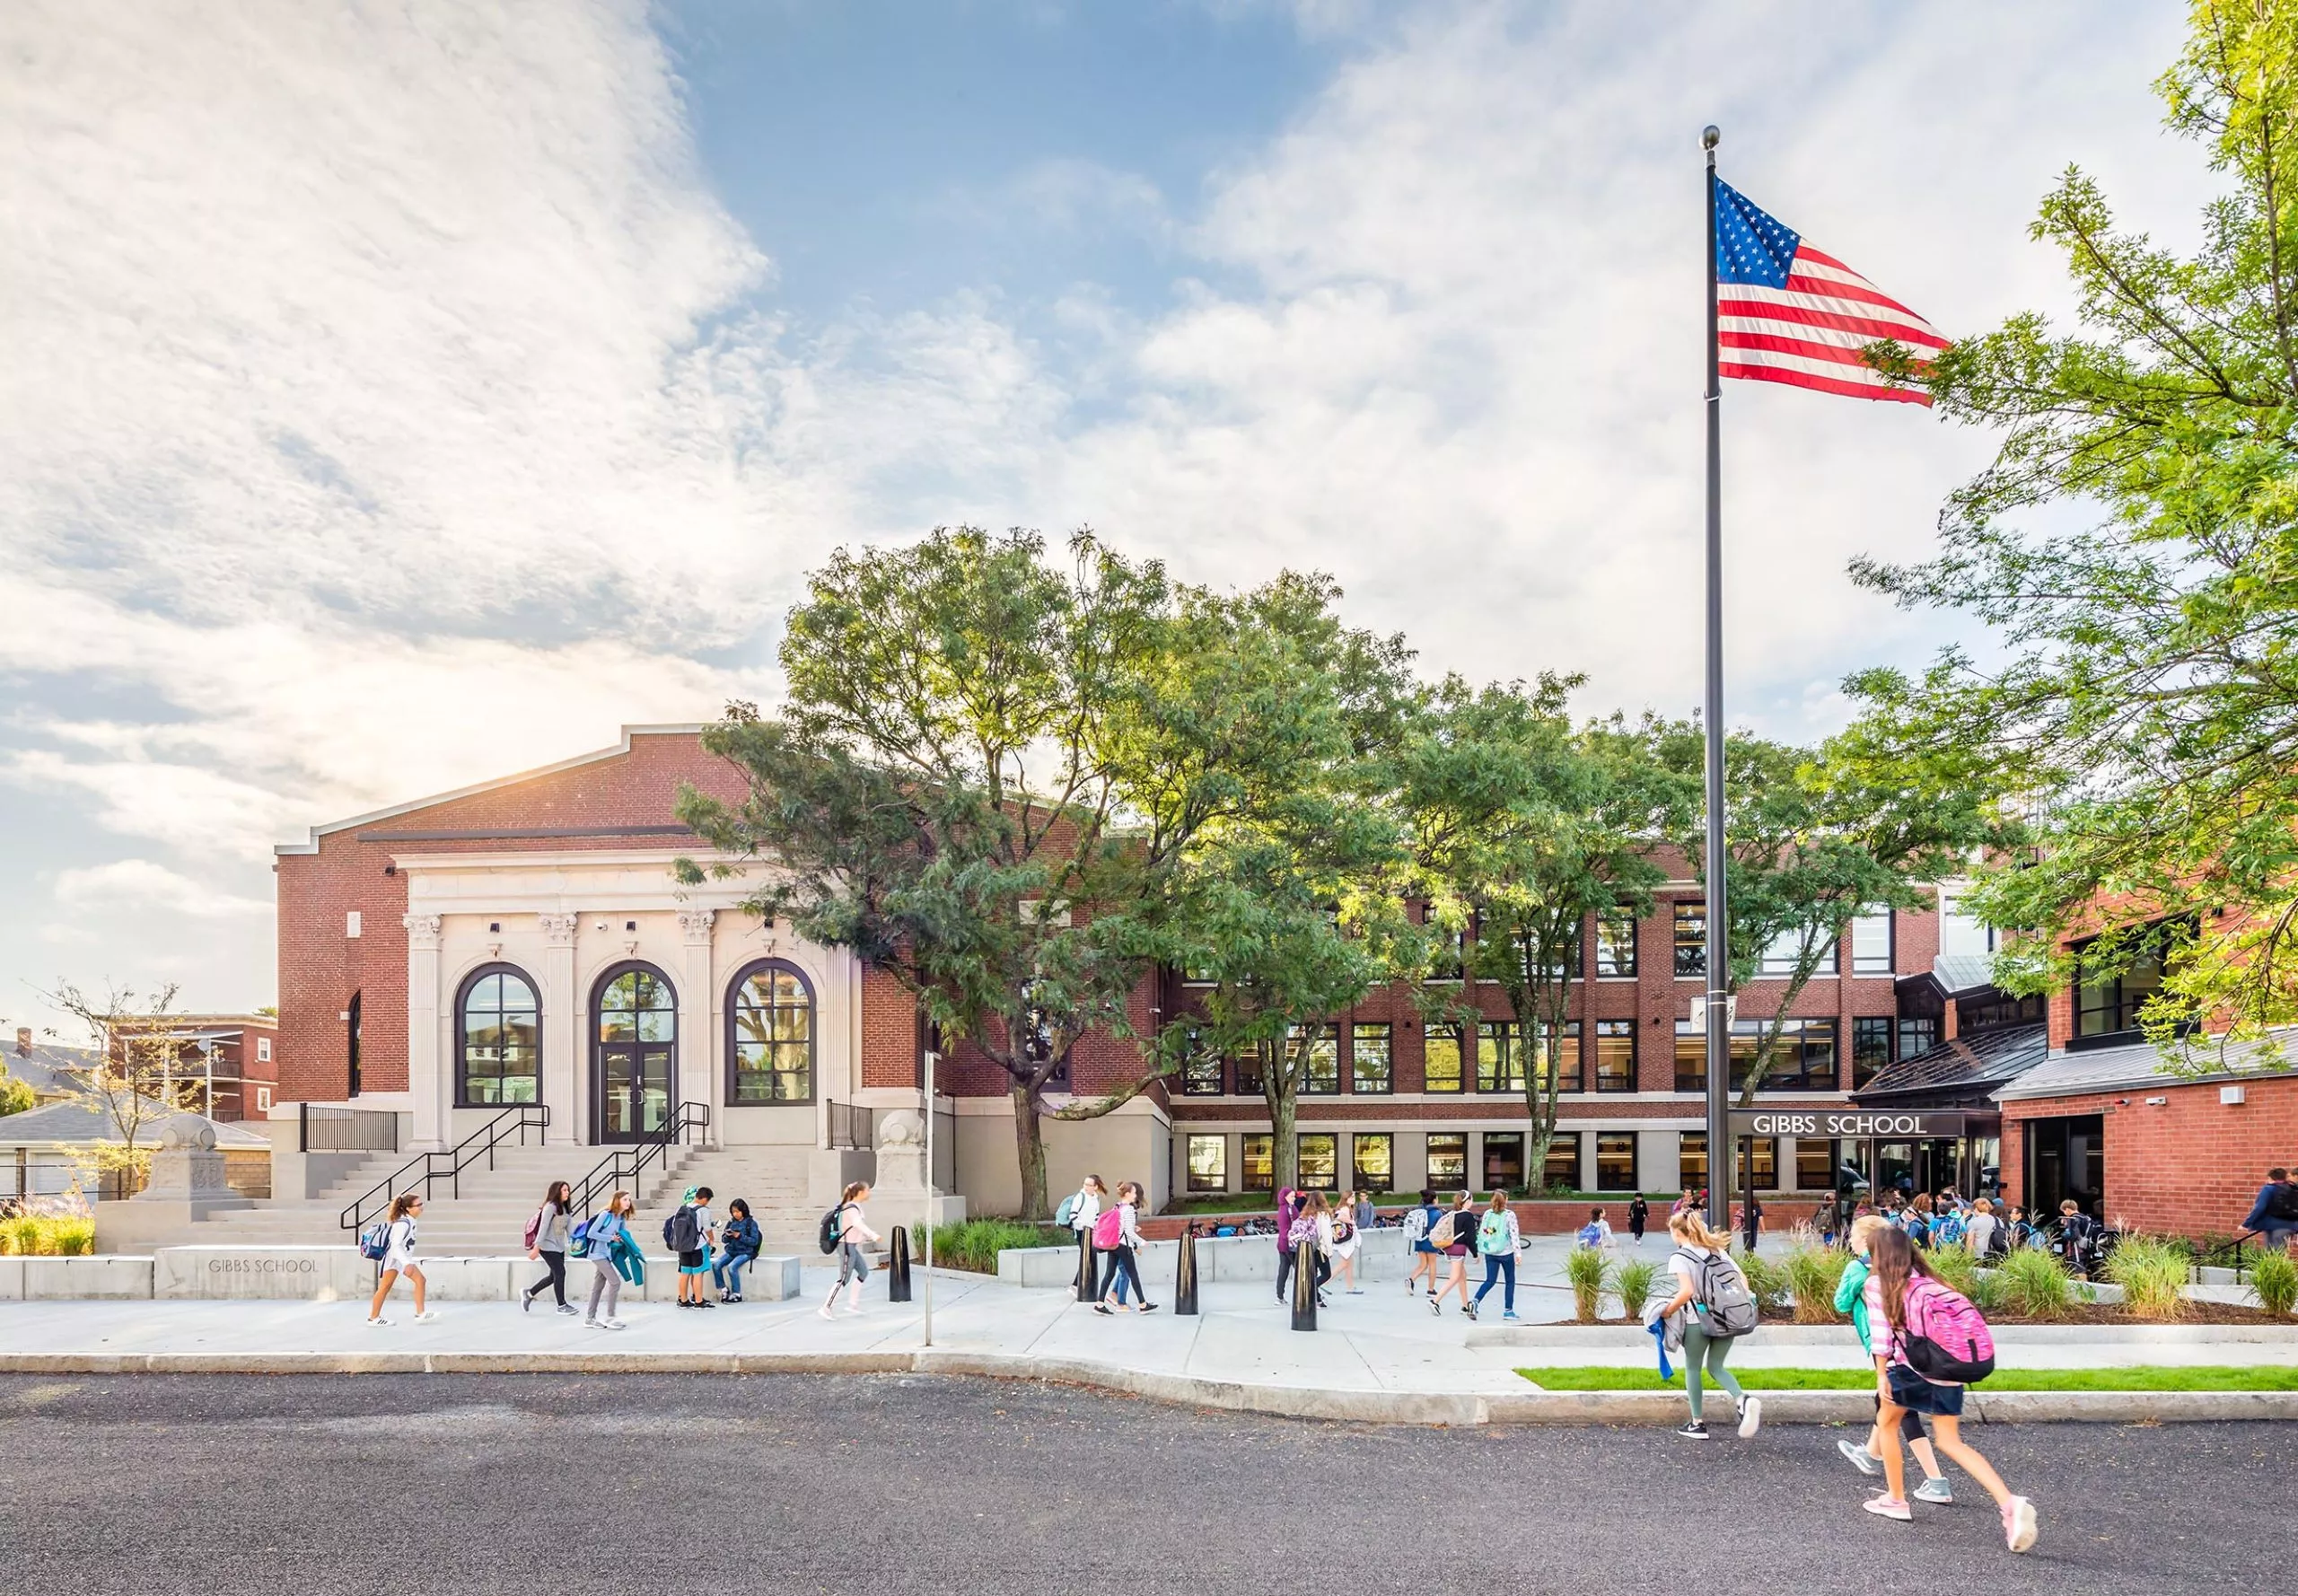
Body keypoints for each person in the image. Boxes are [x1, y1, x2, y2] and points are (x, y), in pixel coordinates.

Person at [1862, 1228, 2038, 1552]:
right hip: (1948, 1370)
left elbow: (1882, 1337)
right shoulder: (1934, 1283)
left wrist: (1881, 1375)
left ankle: (1896, 1499)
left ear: (1879, 1256)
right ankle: (2009, 1503)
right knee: (1950, 1441)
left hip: (1909, 1367)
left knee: (1887, 1425)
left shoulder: (1877, 1285)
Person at [1834, 1215, 1952, 1504]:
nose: (1849, 1241)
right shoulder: (1906, 1265)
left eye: (1853, 1237)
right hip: (1918, 1345)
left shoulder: (1859, 1268)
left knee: (1900, 1408)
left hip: (1889, 1347)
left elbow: (1841, 1303)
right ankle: (1871, 1454)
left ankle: (1933, 1483)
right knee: (1888, 1403)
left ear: (1866, 1240)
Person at [1655, 1208, 1758, 1440]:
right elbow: (1743, 1279)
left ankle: (1697, 1424)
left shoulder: (1680, 1257)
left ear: (1676, 1232)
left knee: (1693, 1367)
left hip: (1697, 1320)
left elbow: (1687, 1291)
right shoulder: (1717, 1250)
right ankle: (1743, 1400)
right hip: (1728, 1316)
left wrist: (1667, 1311)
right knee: (1716, 1367)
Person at [365, 1192, 433, 1326]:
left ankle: (420, 1313)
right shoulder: (403, 1223)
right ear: (408, 1208)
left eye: (421, 1203)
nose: (421, 1207)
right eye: (418, 1205)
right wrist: (407, 1263)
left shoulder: (409, 1220)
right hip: (395, 1259)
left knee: (418, 1281)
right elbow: (396, 1245)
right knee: (385, 1287)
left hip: (400, 1259)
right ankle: (374, 1318)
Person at [1092, 1180, 1158, 1314]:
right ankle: (1143, 1305)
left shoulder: (1117, 1206)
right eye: (1134, 1193)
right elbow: (1128, 1232)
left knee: (1109, 1274)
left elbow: (1120, 1226)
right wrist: (1141, 1242)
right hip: (1124, 1246)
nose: (1135, 1196)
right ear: (1127, 1194)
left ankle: (1099, 1304)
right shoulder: (1129, 1209)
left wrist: (1132, 1228)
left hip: (1114, 1244)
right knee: (1133, 1275)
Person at [820, 1180, 878, 1319]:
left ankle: (853, 1304)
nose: (869, 1193)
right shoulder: (851, 1208)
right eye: (867, 1190)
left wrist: (865, 1237)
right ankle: (826, 1307)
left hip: (852, 1246)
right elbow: (858, 1224)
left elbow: (857, 1228)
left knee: (863, 1272)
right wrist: (873, 1235)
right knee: (843, 1279)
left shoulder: (856, 1207)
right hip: (845, 1247)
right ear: (860, 1193)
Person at [583, 1191, 637, 1330]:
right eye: (625, 1199)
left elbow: (621, 1235)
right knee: (615, 1282)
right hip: (596, 1253)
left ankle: (590, 1318)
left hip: (607, 1254)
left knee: (598, 1286)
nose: (628, 1202)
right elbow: (591, 1233)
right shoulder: (605, 1215)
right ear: (617, 1200)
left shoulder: (621, 1218)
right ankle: (610, 1317)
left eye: (629, 1200)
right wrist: (610, 1238)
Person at [522, 1180, 575, 1315]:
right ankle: (561, 1305)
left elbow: (570, 1231)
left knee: (553, 1276)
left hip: (559, 1247)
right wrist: (536, 1247)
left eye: (568, 1190)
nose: (567, 1193)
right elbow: (543, 1228)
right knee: (560, 1273)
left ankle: (529, 1293)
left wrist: (575, 1244)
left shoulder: (566, 1209)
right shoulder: (550, 1207)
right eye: (564, 1190)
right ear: (556, 1192)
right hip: (546, 1245)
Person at [1472, 1191, 1522, 1322]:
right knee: (1510, 1281)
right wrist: (1518, 1253)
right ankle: (1508, 1310)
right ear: (1506, 1199)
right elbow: (1514, 1235)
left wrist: (1479, 1249)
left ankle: (1475, 1301)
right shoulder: (1510, 1215)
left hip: (1490, 1251)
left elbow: (1483, 1232)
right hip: (1506, 1252)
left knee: (1490, 1280)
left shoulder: (1488, 1213)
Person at [1429, 1191, 1476, 1317]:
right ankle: (1435, 1301)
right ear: (1466, 1201)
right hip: (1458, 1249)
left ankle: (1465, 1306)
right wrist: (1475, 1254)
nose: (1472, 1202)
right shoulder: (1468, 1216)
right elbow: (1470, 1238)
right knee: (1455, 1277)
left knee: (1462, 1276)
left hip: (1449, 1247)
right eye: (1471, 1200)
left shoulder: (1453, 1214)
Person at [671, 1186, 717, 1310]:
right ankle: (698, 1301)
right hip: (698, 1246)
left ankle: (683, 1300)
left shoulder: (682, 1208)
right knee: (698, 1273)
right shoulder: (703, 1210)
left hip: (683, 1246)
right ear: (706, 1199)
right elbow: (707, 1228)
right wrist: (712, 1239)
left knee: (684, 1273)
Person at [714, 1197, 761, 1302]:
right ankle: (723, 1289)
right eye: (733, 1212)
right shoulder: (731, 1223)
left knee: (731, 1267)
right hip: (731, 1251)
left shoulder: (751, 1223)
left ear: (743, 1211)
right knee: (716, 1265)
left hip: (745, 1252)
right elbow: (723, 1239)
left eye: (737, 1211)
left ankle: (736, 1293)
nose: (735, 1214)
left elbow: (754, 1241)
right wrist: (728, 1236)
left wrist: (739, 1236)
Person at [2241, 1167, 2298, 1253]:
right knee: (2280, 1253)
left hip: (2272, 1226)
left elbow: (2259, 1208)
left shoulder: (2268, 1189)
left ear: (2271, 1178)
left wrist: (2246, 1224)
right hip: (2289, 1226)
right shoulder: (2292, 1189)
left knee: (2271, 1253)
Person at [1405, 1188, 1441, 1296]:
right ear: (1434, 1200)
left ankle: (1411, 1279)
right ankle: (1431, 1289)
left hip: (1419, 1239)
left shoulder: (1419, 1211)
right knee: (1432, 1264)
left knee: (1423, 1264)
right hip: (1431, 1241)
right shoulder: (1436, 1213)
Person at [1329, 1193, 1364, 1293]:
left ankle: (1350, 1287)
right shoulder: (1345, 1209)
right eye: (1351, 1197)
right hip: (1346, 1241)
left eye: (1353, 1197)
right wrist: (1351, 1222)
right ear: (1346, 1198)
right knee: (1344, 1263)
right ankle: (1323, 1282)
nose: (1353, 1199)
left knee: (1349, 1264)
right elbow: (1339, 1217)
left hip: (1346, 1240)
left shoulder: (1346, 1208)